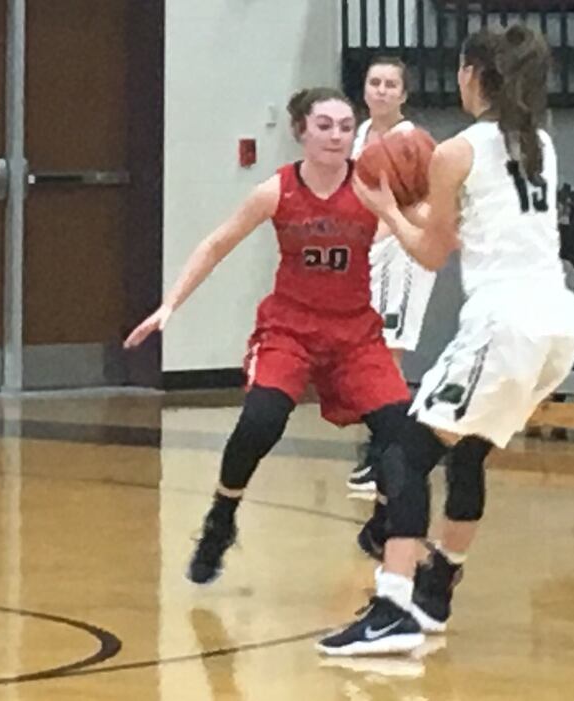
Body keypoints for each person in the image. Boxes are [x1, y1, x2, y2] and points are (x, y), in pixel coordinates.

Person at [319, 24, 574, 656]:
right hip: (557, 323)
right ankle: (438, 587)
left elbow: (432, 254)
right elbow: (478, 228)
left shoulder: (456, 151)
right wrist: (421, 211)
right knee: (468, 452)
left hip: (505, 323)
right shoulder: (539, 142)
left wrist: (383, 205)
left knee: (405, 454)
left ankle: (393, 605)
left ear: (472, 74)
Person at [125, 88, 410, 585]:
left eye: (346, 126)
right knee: (261, 420)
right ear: (301, 130)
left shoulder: (371, 188)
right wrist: (171, 304)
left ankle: (381, 524)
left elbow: (419, 231)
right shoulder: (276, 191)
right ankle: (220, 518)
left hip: (354, 334)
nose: (337, 135)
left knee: (399, 432)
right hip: (290, 330)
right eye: (325, 125)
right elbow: (217, 244)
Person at [348, 55, 440, 496]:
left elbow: (427, 206)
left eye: (390, 84)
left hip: (402, 254)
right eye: (375, 82)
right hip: (366, 252)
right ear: (364, 90)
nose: (382, 90)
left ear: (404, 95)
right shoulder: (359, 135)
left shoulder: (415, 144)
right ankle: (384, 443)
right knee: (364, 355)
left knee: (389, 355)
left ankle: (389, 453)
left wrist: (380, 232)